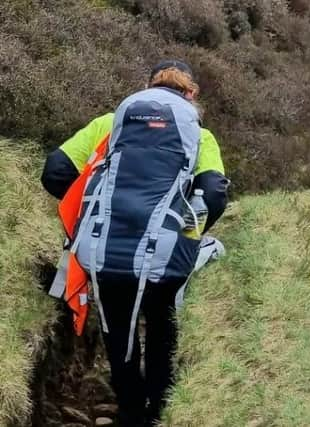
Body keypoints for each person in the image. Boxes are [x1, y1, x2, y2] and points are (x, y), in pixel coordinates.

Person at [41, 60, 229, 426]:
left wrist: (88, 217)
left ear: (147, 88)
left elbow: (55, 171)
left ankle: (130, 411)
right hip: (166, 256)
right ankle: (160, 409)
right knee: (162, 328)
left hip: (106, 250)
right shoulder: (198, 135)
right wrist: (187, 238)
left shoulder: (110, 124)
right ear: (190, 94)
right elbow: (215, 194)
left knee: (117, 330)